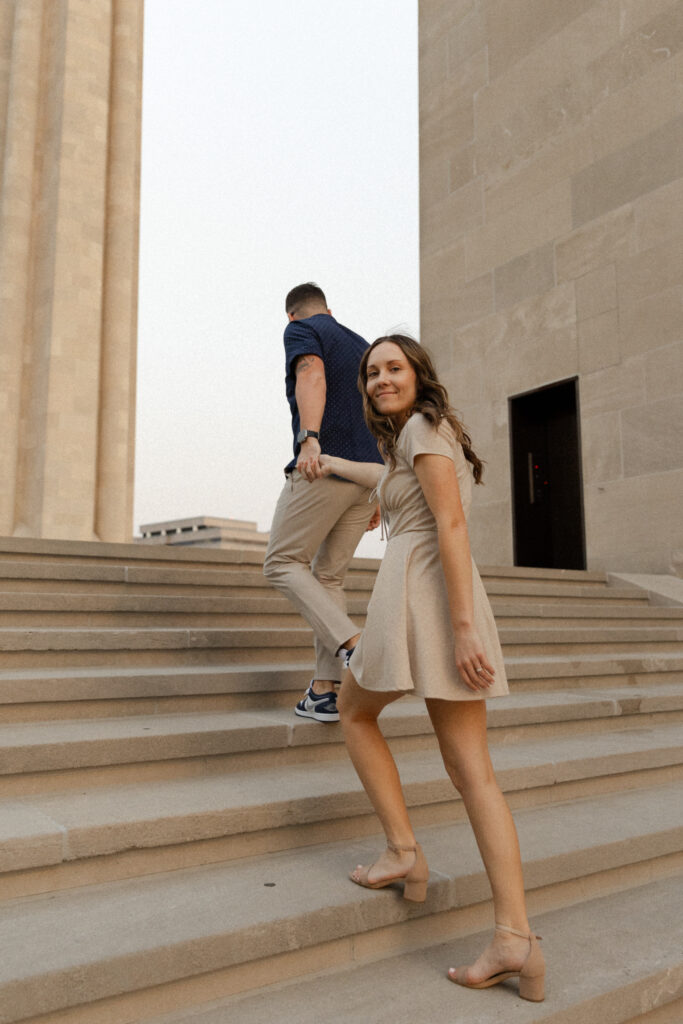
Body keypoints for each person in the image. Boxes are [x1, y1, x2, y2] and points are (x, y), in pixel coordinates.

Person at [297, 334, 545, 1002]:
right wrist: (339, 465)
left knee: (354, 714)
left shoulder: (421, 428)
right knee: (471, 773)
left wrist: (464, 629)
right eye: (372, 372)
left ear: (417, 375)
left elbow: (451, 525)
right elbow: (391, 479)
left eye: (393, 368)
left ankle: (405, 851)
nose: (380, 379)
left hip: (425, 596)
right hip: (431, 595)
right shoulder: (416, 435)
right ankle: (514, 936)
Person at [263, 283, 383, 723]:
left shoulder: (301, 331)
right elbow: (384, 412)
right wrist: (379, 491)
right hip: (368, 475)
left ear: (292, 316)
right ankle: (324, 690)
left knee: (281, 562)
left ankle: (355, 647)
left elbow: (310, 374)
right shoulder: (365, 346)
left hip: (326, 465)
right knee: (328, 577)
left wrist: (309, 439)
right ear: (331, 309)